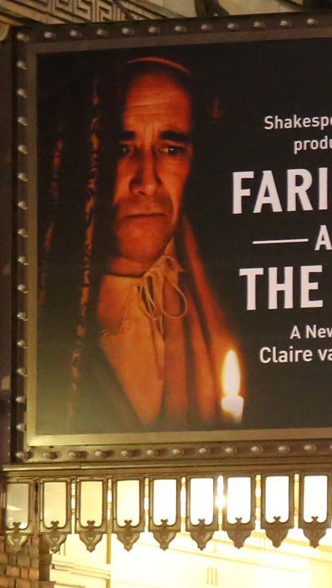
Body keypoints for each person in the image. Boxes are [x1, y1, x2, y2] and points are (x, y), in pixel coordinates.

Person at [42, 55, 242, 434]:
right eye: (122, 150)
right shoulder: (49, 311)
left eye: (170, 150)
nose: (147, 182)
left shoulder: (217, 304)